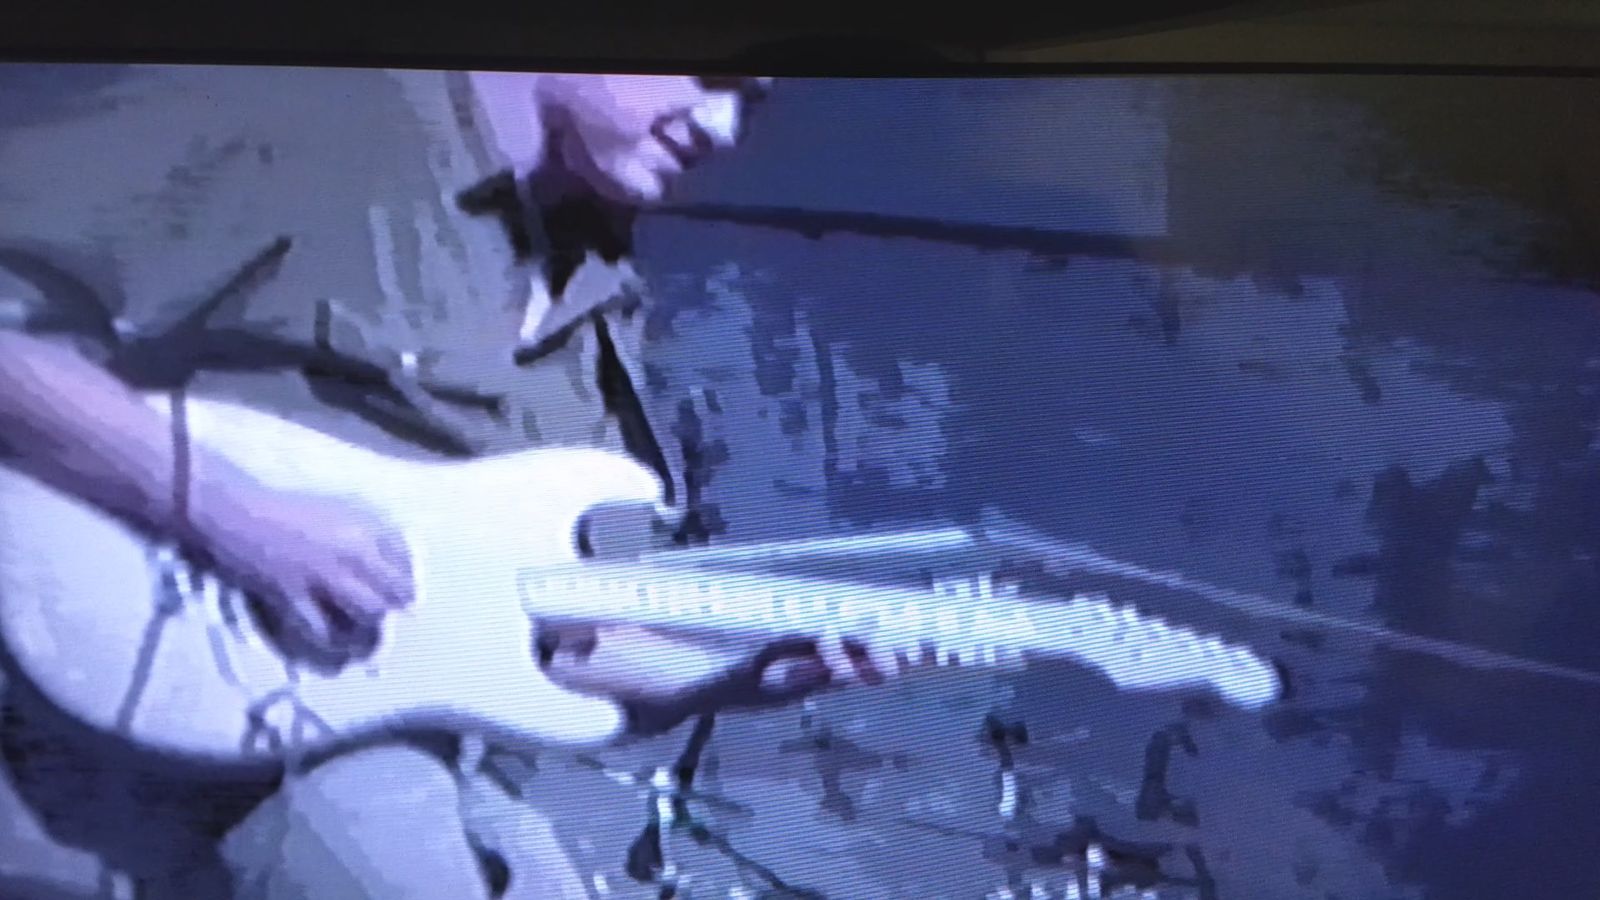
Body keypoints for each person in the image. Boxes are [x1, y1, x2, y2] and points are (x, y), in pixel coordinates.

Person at [0, 65, 885, 899]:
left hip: (377, 737)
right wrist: (229, 513)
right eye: (709, 77)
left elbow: (557, 644)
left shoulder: (597, 289)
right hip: (128, 702)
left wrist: (737, 676)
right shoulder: (294, 107)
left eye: (752, 103)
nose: (723, 128)